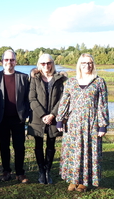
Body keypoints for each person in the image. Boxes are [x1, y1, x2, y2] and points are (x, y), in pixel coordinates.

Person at [56, 53, 109, 192]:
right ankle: (73, 179)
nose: (87, 65)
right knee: (73, 151)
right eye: (84, 63)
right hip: (73, 123)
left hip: (91, 123)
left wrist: (102, 125)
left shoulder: (99, 82)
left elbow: (102, 105)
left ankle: (84, 181)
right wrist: (60, 120)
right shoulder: (71, 82)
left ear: (93, 64)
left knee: (87, 152)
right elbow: (64, 102)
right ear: (79, 65)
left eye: (90, 62)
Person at [28, 54, 68, 184]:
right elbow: (32, 98)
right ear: (39, 64)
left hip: (53, 117)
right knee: (38, 144)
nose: (46, 65)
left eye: (49, 63)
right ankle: (41, 171)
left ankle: (48, 171)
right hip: (38, 117)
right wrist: (43, 115)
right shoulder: (35, 78)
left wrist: (52, 115)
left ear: (52, 63)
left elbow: (62, 99)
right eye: (43, 63)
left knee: (51, 143)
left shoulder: (59, 78)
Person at [0, 49, 30, 184]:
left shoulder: (23, 77)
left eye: (12, 60)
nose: (9, 62)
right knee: (4, 146)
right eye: (6, 60)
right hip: (1, 118)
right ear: (2, 62)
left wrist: (26, 114)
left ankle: (20, 173)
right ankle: (6, 171)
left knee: (19, 146)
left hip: (18, 118)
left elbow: (28, 98)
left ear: (15, 61)